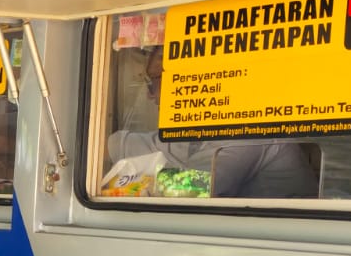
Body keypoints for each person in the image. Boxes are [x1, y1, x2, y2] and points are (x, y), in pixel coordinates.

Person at [106, 45, 318, 199]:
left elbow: (198, 186)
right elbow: (138, 145)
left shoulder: (249, 126)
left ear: (189, 80)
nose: (151, 96)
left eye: (154, 83)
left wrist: (135, 180)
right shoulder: (194, 130)